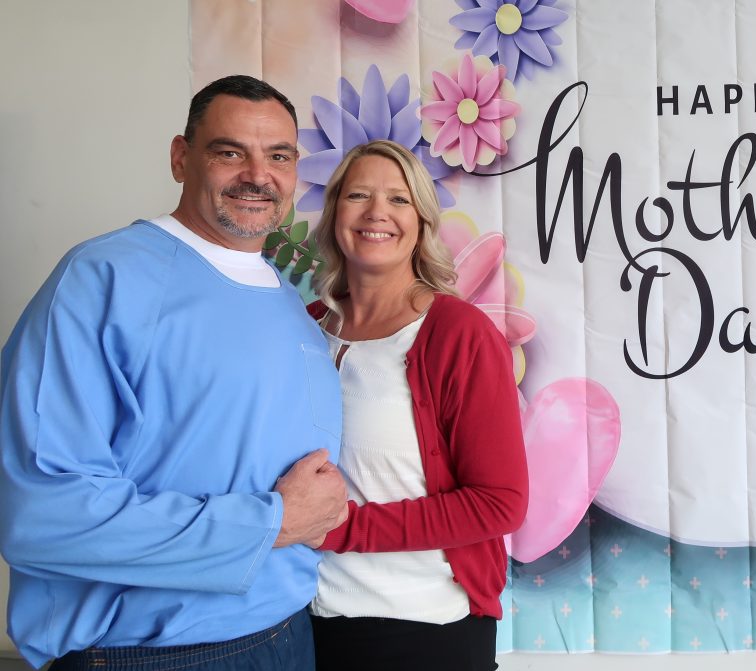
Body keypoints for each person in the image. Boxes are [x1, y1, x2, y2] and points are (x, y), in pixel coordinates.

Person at [0, 75, 348, 671]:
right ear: (180, 158)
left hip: (287, 635)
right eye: (230, 151)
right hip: (152, 655)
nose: (257, 175)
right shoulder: (101, 280)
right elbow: (41, 515)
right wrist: (270, 523)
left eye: (279, 156)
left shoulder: (291, 298)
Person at [304, 139, 528, 671]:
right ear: (335, 212)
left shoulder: (457, 334)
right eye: (358, 194)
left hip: (423, 631)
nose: (377, 211)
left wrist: (340, 529)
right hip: (305, 624)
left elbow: (500, 502)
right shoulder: (307, 326)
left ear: (422, 222)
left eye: (399, 199)